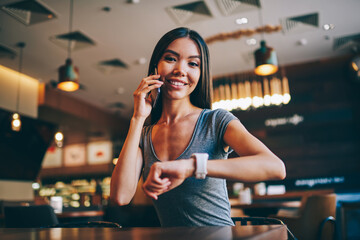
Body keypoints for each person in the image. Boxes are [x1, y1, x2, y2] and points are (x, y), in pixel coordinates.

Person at [110, 27, 286, 227]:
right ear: (155, 68)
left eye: (193, 63)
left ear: (201, 73)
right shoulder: (144, 135)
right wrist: (137, 118)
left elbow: (275, 167)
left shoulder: (216, 121)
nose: (180, 70)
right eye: (170, 58)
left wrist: (192, 166)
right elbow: (120, 197)